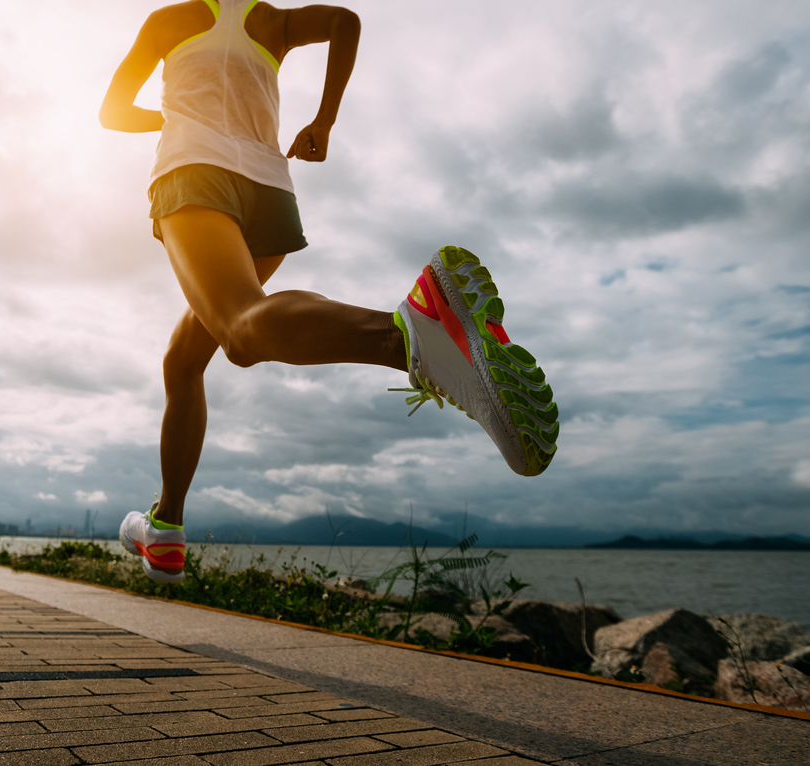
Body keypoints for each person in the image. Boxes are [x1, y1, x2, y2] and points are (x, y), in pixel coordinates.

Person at [100, 0, 558, 583]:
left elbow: (112, 112)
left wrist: (170, 117)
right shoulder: (273, 23)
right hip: (270, 193)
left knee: (241, 329)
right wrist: (323, 123)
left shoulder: (176, 18)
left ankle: (411, 336)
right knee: (185, 358)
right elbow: (346, 22)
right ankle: (165, 526)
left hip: (195, 173)